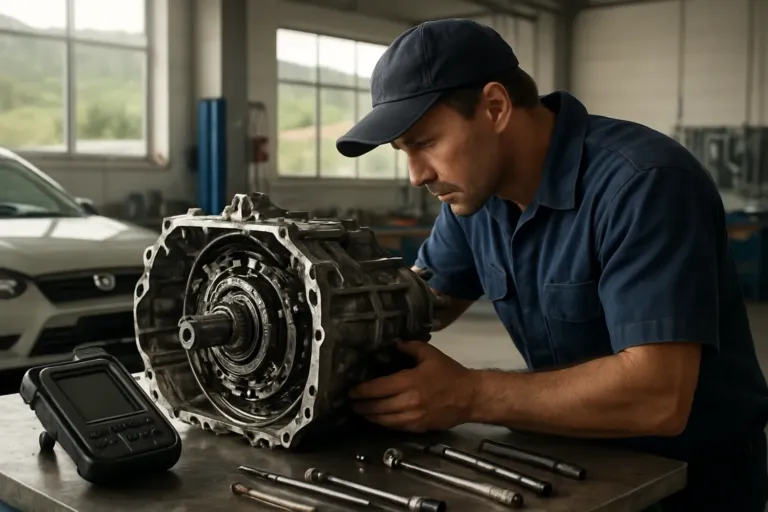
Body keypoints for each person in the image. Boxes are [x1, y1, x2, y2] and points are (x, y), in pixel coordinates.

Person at [334, 17, 768, 512]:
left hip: (691, 483)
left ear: (495, 107)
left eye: (426, 142)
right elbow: (417, 307)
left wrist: (470, 394)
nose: (416, 175)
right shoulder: (474, 200)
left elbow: (658, 397)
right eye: (403, 151)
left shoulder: (644, 184)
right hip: (571, 465)